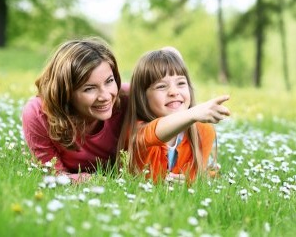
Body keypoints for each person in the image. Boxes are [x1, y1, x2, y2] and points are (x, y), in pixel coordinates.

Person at [22, 37, 128, 183]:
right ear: (66, 92)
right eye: (89, 88)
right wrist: (89, 179)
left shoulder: (127, 98)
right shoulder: (38, 113)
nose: (105, 96)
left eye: (109, 81)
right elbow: (54, 175)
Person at [118, 47, 230, 184]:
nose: (173, 92)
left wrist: (189, 183)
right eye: (161, 86)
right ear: (143, 97)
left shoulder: (202, 132)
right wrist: (192, 113)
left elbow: (195, 178)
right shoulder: (137, 132)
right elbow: (156, 131)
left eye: (181, 83)